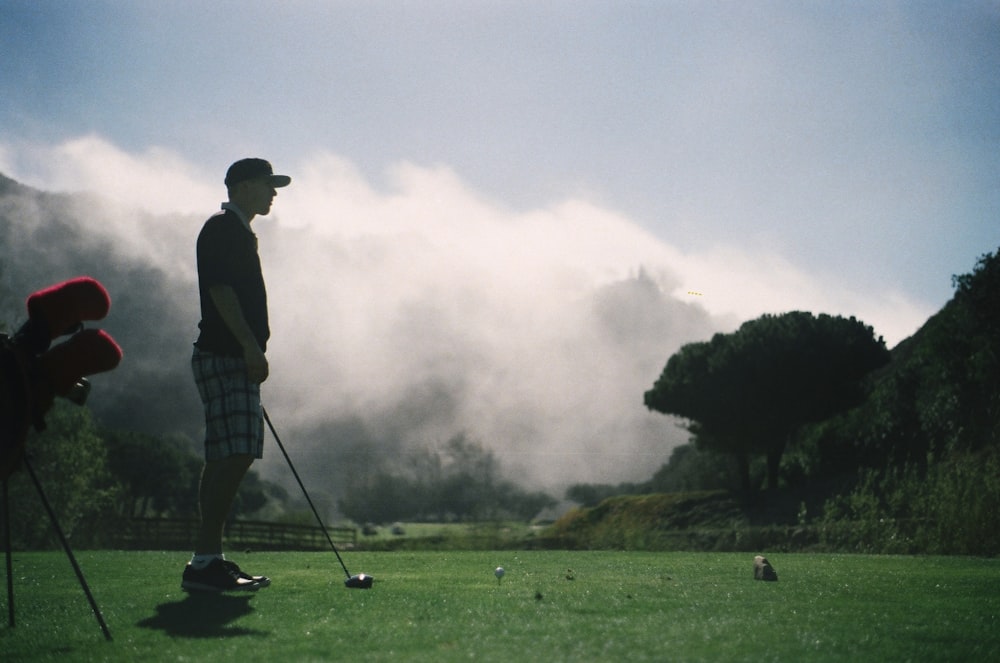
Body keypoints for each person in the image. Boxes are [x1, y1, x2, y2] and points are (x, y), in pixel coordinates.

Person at [182, 158, 290, 592]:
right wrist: (249, 347)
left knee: (225, 454)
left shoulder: (237, 231)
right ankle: (204, 561)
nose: (274, 193)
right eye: (268, 184)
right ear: (244, 187)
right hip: (226, 355)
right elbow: (221, 291)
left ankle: (208, 559)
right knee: (236, 453)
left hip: (224, 355)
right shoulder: (223, 229)